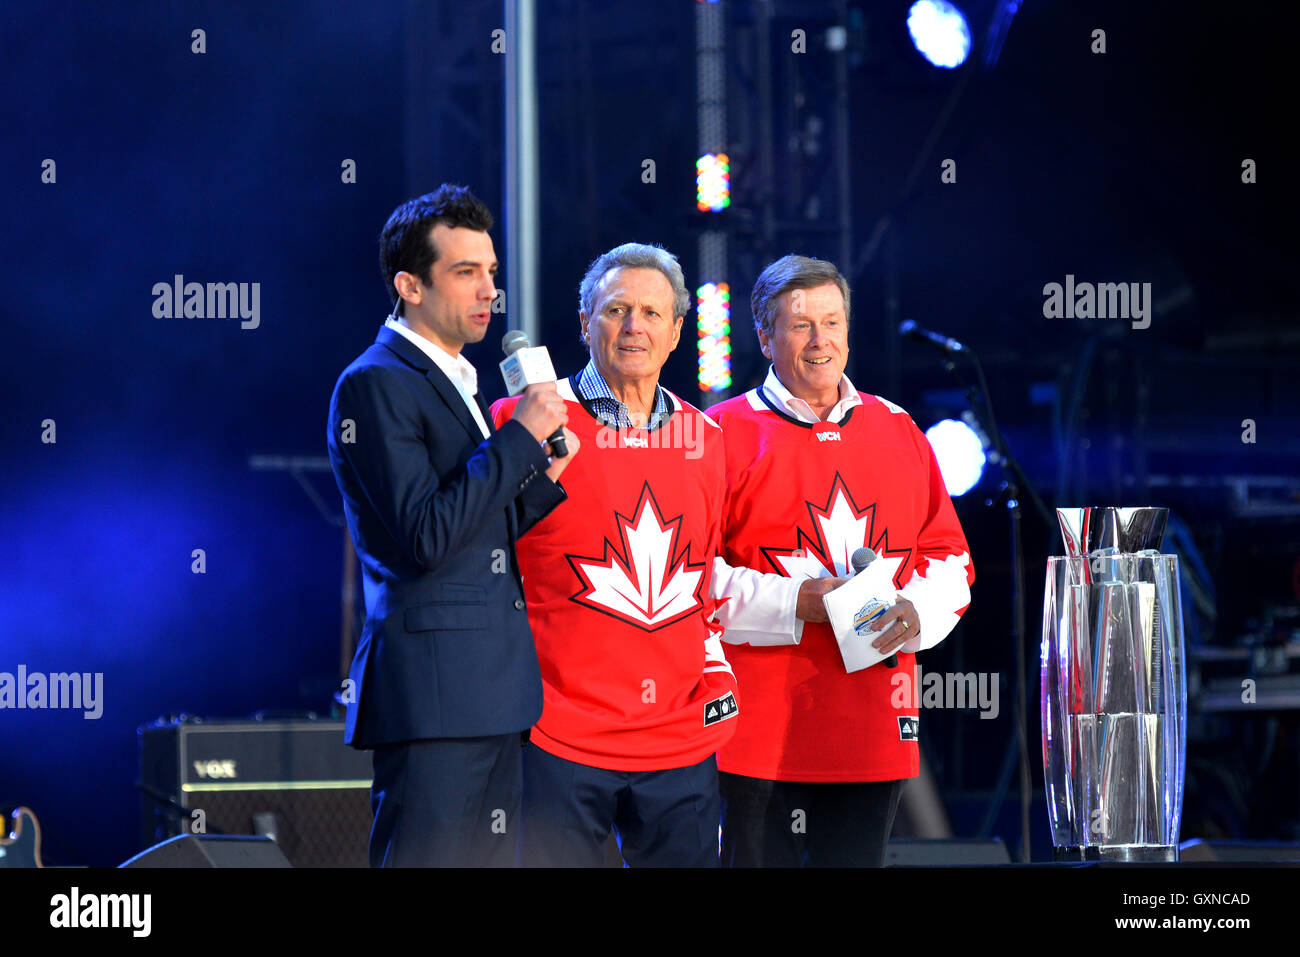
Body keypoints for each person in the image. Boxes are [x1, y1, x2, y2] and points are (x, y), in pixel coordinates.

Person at [326, 184, 580, 867]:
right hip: (434, 700)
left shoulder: (456, 380)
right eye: (465, 272)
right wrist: (521, 438)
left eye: (492, 271)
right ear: (409, 285)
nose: (488, 289)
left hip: (492, 694)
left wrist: (538, 485)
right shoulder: (375, 383)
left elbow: (471, 536)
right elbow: (426, 537)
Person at [706, 254, 974, 867]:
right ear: (764, 335)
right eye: (800, 325)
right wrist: (794, 603)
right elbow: (690, 576)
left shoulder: (900, 429)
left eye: (832, 322)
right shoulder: (719, 433)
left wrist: (918, 611)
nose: (820, 340)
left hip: (874, 725)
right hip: (755, 734)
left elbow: (950, 556)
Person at [490, 243, 737, 867]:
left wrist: (716, 685)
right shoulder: (520, 420)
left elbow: (708, 583)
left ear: (678, 330)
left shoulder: (708, 441)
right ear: (583, 322)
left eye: (652, 314)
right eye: (616, 310)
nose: (634, 328)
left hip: (679, 743)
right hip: (555, 736)